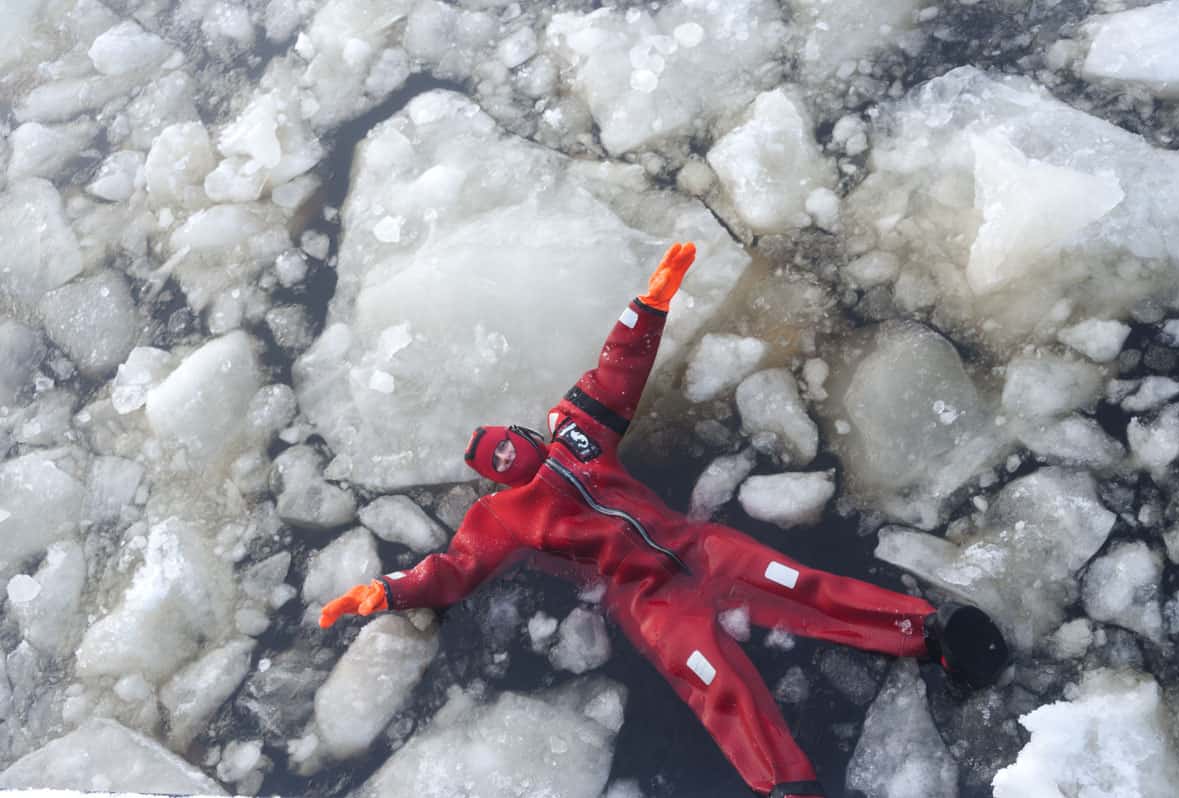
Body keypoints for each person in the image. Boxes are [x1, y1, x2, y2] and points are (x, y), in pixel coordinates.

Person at [320, 243, 1009, 798]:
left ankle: (928, 635)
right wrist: (389, 590)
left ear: (522, 432)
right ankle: (788, 785)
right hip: (649, 601)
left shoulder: (577, 436)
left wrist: (648, 305)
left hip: (702, 549)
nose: (511, 452)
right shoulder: (499, 517)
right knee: (719, 685)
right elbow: (453, 572)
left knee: (805, 587)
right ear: (495, 473)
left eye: (508, 438)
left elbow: (617, 370)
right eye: (498, 457)